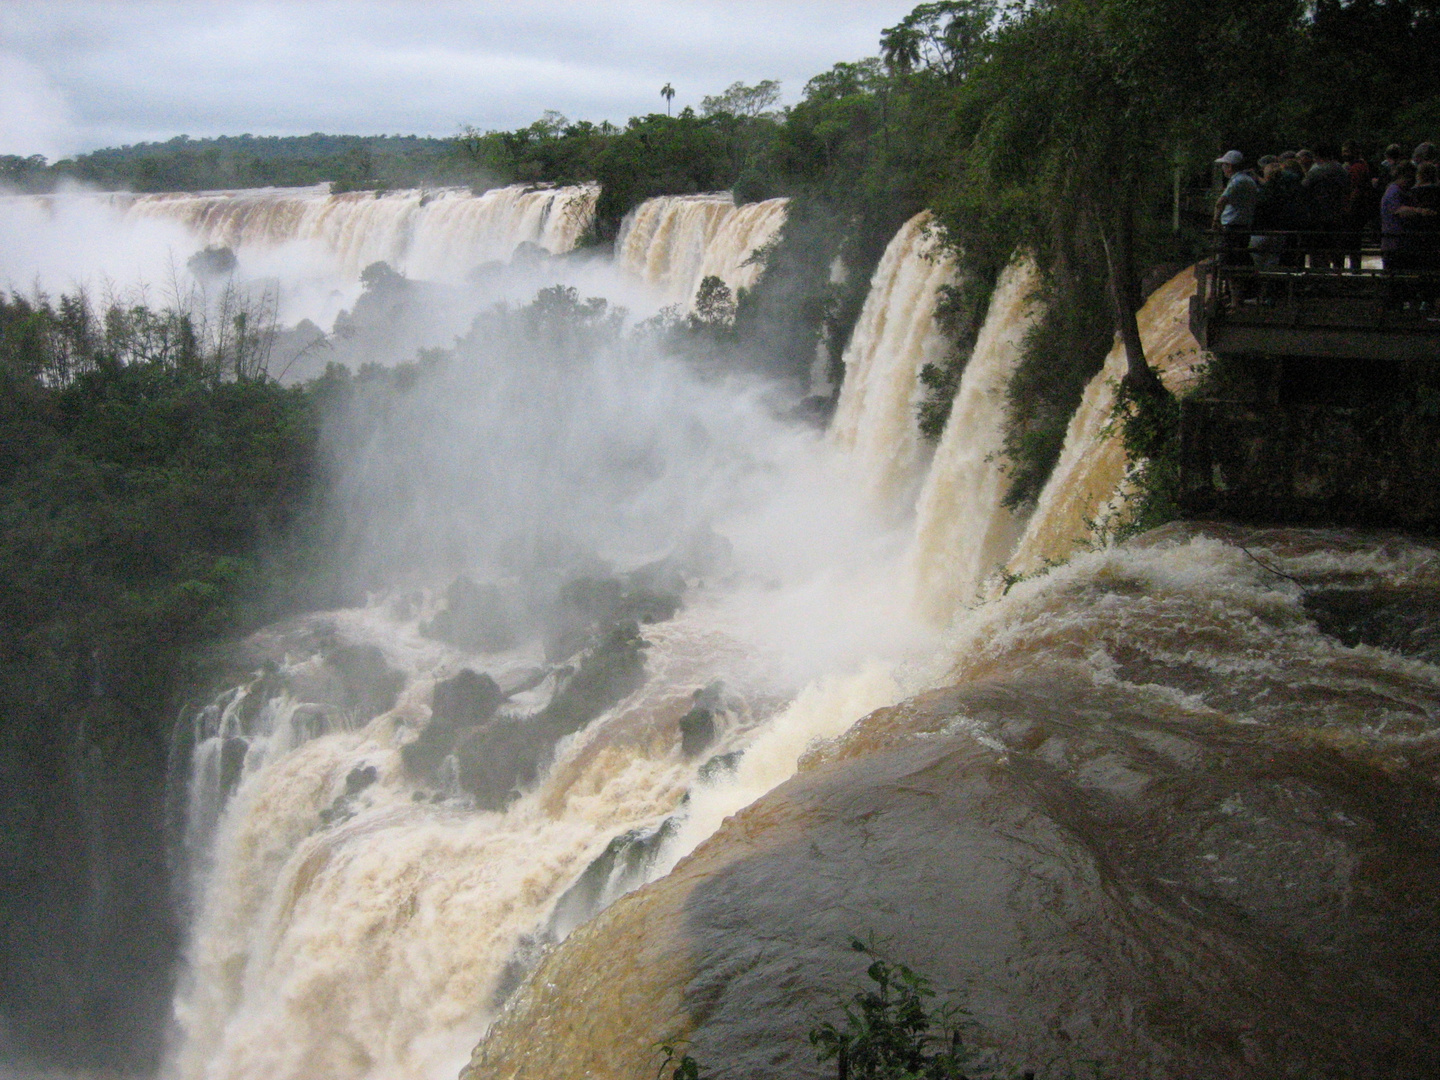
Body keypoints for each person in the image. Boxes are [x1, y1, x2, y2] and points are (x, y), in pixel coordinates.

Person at [1213, 151, 1259, 295]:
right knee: (1239, 261)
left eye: (1224, 165)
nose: (1223, 169)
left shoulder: (1236, 182)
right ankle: (1237, 296)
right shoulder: (1249, 180)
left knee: (1228, 263)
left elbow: (1221, 202)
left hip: (1233, 228)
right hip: (1244, 226)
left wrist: (1215, 219)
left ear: (1230, 166)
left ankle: (1235, 299)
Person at [1380, 161, 1435, 273]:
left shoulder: (1402, 191)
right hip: (1394, 243)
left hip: (1400, 243)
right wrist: (1420, 211)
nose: (1413, 181)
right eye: (1410, 178)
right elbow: (1399, 211)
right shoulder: (1394, 191)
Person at [1304, 143, 1350, 268]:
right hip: (1337, 214)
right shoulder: (1341, 169)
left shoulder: (1316, 171)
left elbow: (1304, 187)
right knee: (1337, 250)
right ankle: (1338, 276)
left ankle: (1319, 279)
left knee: (1318, 251)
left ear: (1317, 155)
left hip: (1319, 216)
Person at [1341, 141, 1375, 269]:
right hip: (1359, 210)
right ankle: (1355, 268)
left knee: (1353, 243)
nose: (1344, 154)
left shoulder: (1356, 168)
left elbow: (1356, 189)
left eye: (1346, 151)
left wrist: (1349, 207)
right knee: (1354, 243)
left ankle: (1355, 270)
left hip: (1355, 211)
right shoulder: (1361, 166)